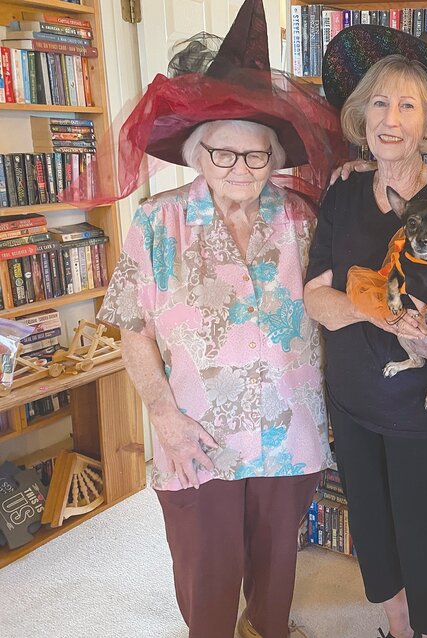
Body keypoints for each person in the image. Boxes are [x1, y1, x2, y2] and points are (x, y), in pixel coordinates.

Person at [95, 2, 342, 637]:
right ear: (197, 154)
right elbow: (132, 327)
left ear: (275, 157)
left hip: (290, 426)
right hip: (195, 428)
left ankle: (269, 627)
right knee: (206, 563)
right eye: (223, 155)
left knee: (277, 556)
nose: (240, 170)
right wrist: (165, 420)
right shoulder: (158, 221)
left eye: (255, 157)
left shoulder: (306, 220)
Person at [304, 25, 427, 638]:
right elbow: (317, 299)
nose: (390, 118)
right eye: (379, 103)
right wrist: (378, 312)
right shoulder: (343, 193)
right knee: (375, 527)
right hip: (355, 399)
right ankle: (397, 624)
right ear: (361, 116)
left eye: (407, 106)